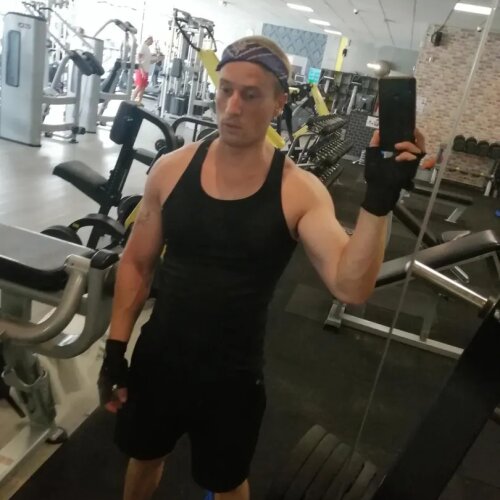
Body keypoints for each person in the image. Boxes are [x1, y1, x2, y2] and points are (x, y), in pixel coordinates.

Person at [98, 36, 432, 500]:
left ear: (278, 103)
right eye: (226, 90)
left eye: (250, 95)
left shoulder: (299, 190)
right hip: (159, 360)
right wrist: (116, 350)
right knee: (144, 459)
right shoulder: (171, 169)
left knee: (227, 483)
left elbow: (351, 287)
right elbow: (137, 262)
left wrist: (379, 199)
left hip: (232, 377)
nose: (232, 107)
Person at [132, 35, 154, 104]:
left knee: (143, 87)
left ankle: (138, 102)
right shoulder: (142, 46)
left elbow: (148, 61)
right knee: (139, 86)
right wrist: (142, 71)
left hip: (145, 70)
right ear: (148, 39)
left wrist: (157, 59)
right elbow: (138, 58)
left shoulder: (147, 48)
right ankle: (131, 101)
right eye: (151, 40)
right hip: (140, 70)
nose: (152, 42)